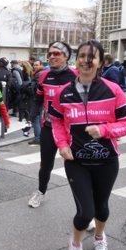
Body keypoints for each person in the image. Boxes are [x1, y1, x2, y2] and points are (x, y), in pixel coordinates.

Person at [49, 39, 126, 250]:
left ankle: (99, 238)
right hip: (76, 161)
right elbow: (56, 120)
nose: (86, 61)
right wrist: (62, 144)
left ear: (100, 62)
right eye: (82, 56)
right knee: (85, 211)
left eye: (92, 57)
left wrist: (104, 130)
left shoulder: (113, 90)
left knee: (102, 208)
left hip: (107, 161)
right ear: (76, 60)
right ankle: (75, 245)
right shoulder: (64, 93)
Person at [27, 41, 78, 208]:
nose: (51, 56)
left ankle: (84, 207)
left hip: (71, 130)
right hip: (49, 127)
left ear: (66, 56)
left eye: (56, 53)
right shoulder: (43, 75)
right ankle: (41, 192)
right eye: (49, 54)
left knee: (76, 169)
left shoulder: (76, 75)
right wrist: (32, 115)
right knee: (45, 165)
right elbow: (38, 98)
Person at [28, 60, 45, 145]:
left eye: (37, 65)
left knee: (36, 118)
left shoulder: (39, 74)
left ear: (41, 65)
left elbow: (39, 88)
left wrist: (31, 86)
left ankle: (38, 138)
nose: (35, 66)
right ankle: (39, 137)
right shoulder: (39, 73)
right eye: (34, 65)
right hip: (39, 99)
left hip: (38, 99)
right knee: (38, 118)